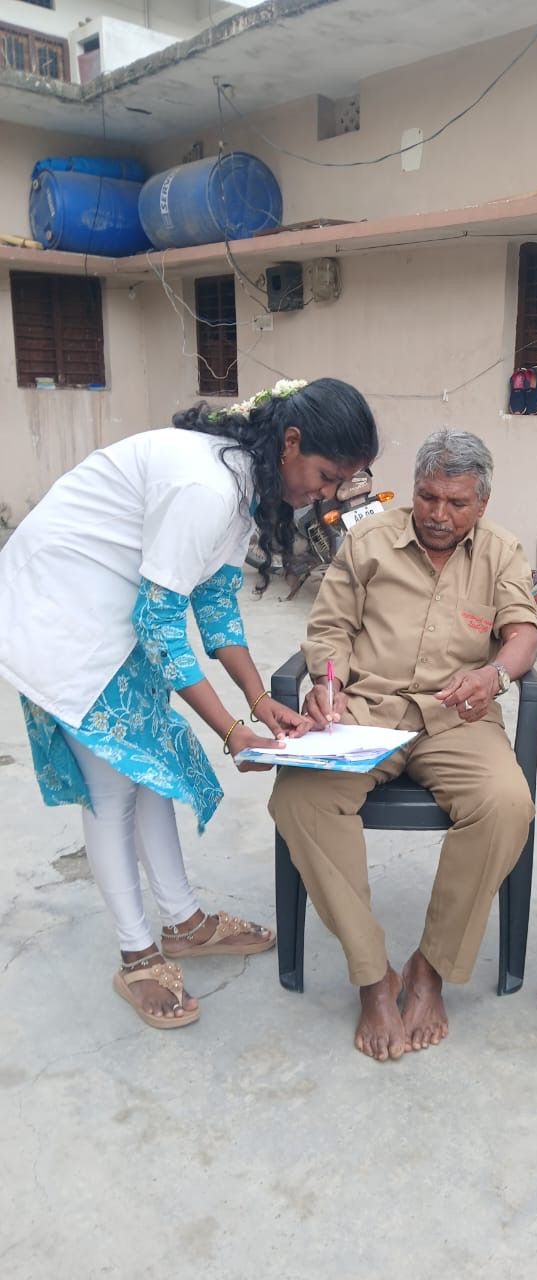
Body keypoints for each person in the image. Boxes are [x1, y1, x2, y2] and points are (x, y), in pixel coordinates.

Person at [0, 377, 379, 1030]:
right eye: (324, 475)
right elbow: (159, 622)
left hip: (112, 608)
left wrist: (260, 702)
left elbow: (213, 600)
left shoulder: (242, 484)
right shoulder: (207, 488)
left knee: (152, 776)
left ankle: (182, 923)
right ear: (291, 443)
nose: (324, 494)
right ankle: (138, 954)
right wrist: (232, 731)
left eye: (339, 482)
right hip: (62, 615)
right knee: (115, 787)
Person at [270, 429, 537, 1061]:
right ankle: (373, 976)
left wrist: (495, 676)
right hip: (368, 710)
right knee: (300, 797)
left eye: (456, 503)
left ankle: (429, 969)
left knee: (506, 804)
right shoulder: (367, 540)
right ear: (412, 490)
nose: (439, 515)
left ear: (483, 502)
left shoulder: (501, 552)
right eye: (427, 497)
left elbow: (523, 635)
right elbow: (330, 627)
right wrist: (327, 684)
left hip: (458, 717)